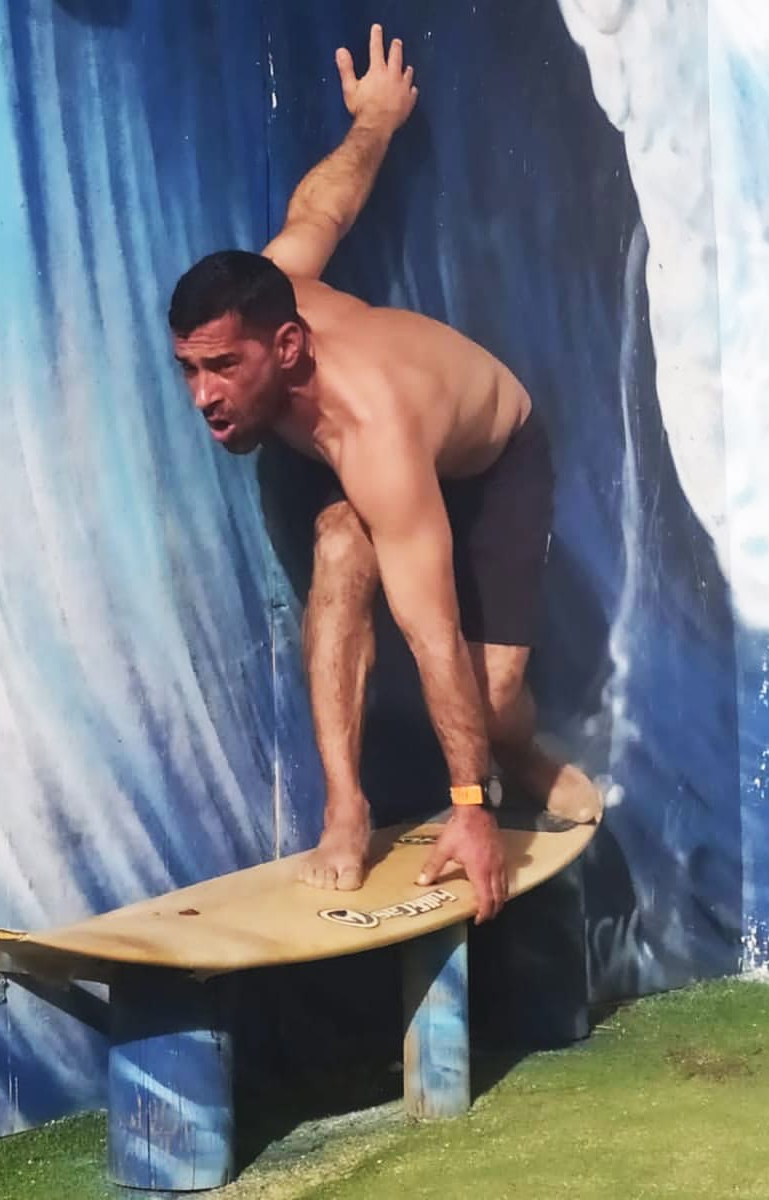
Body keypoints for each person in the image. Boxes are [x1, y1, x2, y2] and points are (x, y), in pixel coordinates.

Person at [166, 24, 601, 922]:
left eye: (223, 369)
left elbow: (429, 633)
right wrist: (375, 122)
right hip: (378, 463)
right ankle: (345, 808)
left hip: (492, 456)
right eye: (190, 370)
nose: (204, 396)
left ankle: (518, 753)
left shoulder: (373, 433)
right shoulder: (273, 287)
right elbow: (320, 212)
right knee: (338, 549)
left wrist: (471, 809)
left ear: (289, 348)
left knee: (492, 697)